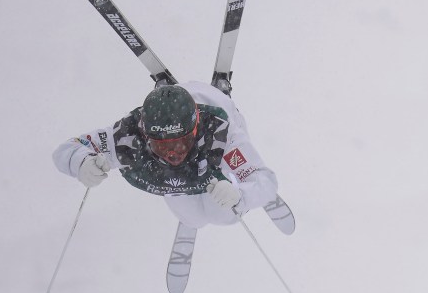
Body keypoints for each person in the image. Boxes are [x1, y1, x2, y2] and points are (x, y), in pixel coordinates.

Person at [53, 81, 278, 228]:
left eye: (182, 142)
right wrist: (81, 162)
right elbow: (67, 148)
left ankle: (219, 91)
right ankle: (191, 214)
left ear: (196, 129)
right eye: (161, 145)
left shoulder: (221, 134)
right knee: (194, 220)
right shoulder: (127, 139)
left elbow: (266, 180)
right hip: (180, 178)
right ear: (144, 132)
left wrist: (241, 196)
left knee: (222, 215)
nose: (173, 154)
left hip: (216, 111)